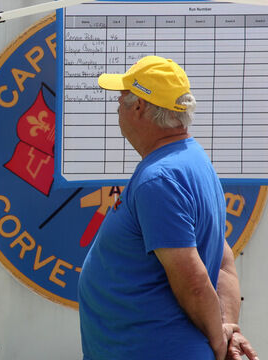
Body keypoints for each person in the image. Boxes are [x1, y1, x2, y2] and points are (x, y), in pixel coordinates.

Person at [77, 56, 258, 360]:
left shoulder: (159, 178)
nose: (117, 105)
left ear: (139, 107)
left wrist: (219, 342)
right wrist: (228, 328)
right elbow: (223, 259)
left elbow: (194, 281)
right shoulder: (193, 159)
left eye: (122, 97)